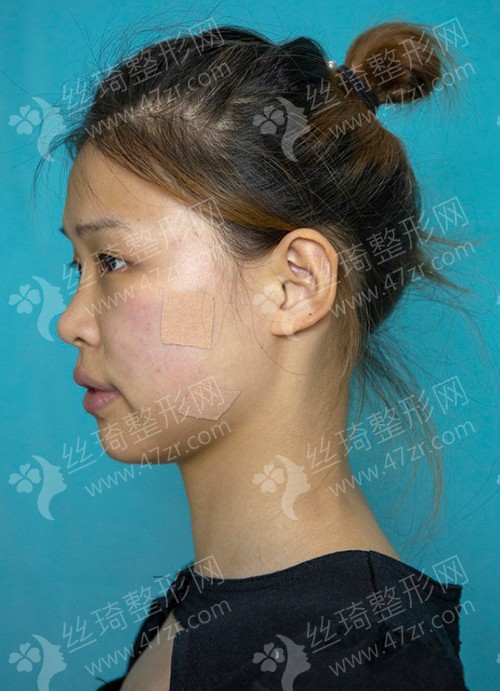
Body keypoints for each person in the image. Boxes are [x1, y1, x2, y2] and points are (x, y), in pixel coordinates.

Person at [49, 18, 469, 690]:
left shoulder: (361, 660)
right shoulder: (195, 613)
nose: (69, 322)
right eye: (79, 267)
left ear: (294, 285)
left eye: (114, 261)